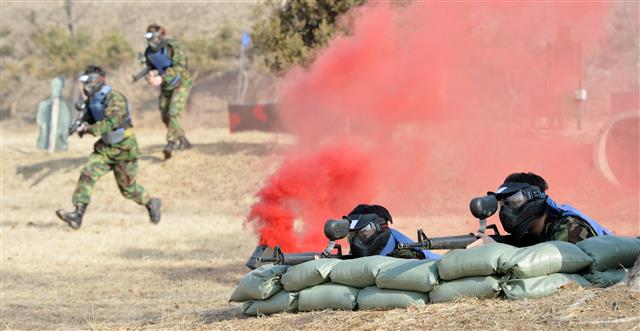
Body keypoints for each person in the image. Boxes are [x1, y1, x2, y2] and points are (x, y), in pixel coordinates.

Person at [56, 65, 161, 229]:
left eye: (89, 83)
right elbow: (91, 118)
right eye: (85, 84)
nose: (86, 87)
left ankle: (151, 202)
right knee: (87, 173)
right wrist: (80, 124)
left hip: (124, 149)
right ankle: (77, 215)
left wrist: (87, 129)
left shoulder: (115, 98)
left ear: (98, 82)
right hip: (105, 148)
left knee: (128, 189)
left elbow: (110, 123)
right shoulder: (92, 100)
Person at [467, 172, 611, 248]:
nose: (505, 210)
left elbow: (553, 264)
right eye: (503, 204)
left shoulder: (568, 227)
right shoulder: (532, 234)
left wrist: (497, 250)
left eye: (513, 201)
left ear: (535, 198)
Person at [142, 23, 192, 159]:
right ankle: (183, 140)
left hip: (181, 83)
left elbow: (180, 68)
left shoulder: (173, 47)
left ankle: (170, 143)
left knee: (173, 111)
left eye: (154, 37)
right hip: (166, 86)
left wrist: (161, 77)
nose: (151, 40)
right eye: (148, 37)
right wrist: (151, 76)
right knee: (165, 115)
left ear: (161, 36)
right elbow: (150, 67)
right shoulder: (149, 52)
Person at [345, 204, 440, 259]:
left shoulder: (410, 258)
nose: (355, 240)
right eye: (352, 235)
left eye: (362, 233)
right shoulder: (354, 263)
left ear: (380, 227)